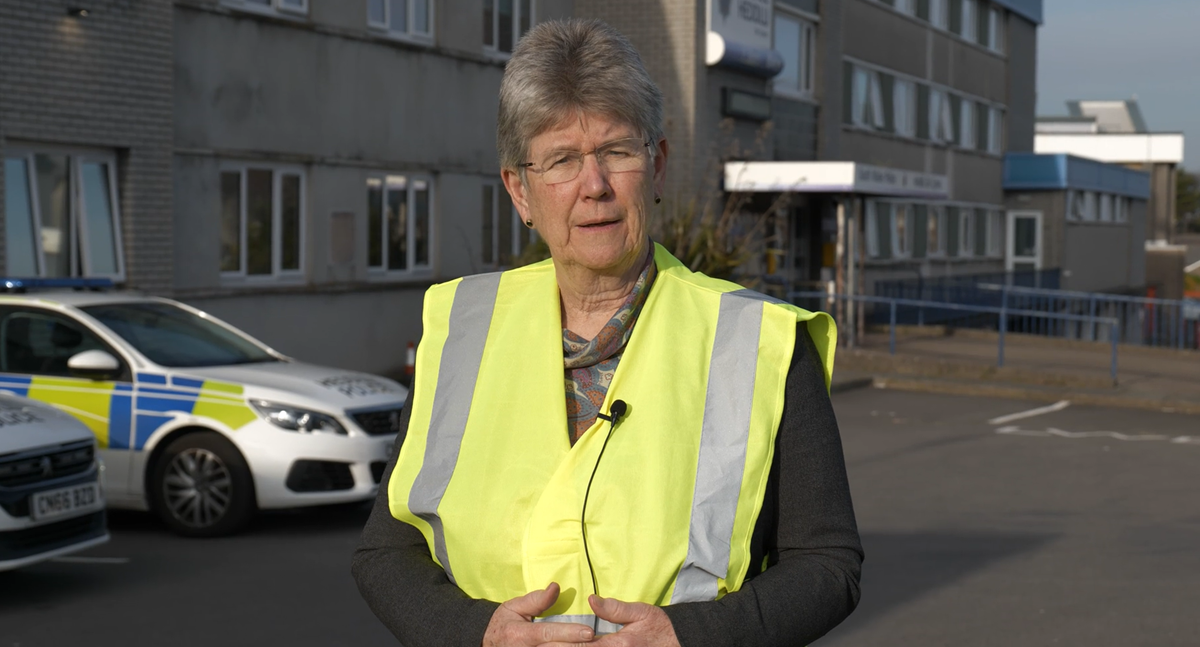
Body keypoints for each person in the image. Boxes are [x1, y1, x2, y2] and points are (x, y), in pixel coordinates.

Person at [352, 18, 862, 647]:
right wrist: (475, 632)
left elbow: (828, 564)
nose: (593, 186)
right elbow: (385, 551)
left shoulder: (762, 342)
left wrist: (693, 636)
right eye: (561, 160)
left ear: (658, 167)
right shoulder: (460, 329)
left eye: (618, 151)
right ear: (521, 192)